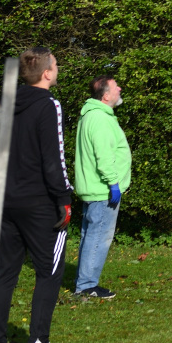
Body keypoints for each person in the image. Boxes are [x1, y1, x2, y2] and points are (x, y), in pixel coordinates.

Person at [0, 49, 74, 343]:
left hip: (2, 201)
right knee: (50, 270)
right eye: (56, 64)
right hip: (38, 203)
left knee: (3, 273)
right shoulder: (49, 105)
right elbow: (55, 159)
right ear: (47, 73)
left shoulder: (0, 104)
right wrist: (64, 198)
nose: (58, 68)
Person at [71, 75, 132, 301]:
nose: (120, 88)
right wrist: (113, 184)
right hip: (103, 190)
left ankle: (84, 282)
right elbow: (104, 157)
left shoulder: (95, 115)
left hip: (97, 188)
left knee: (91, 235)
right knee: (98, 236)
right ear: (106, 95)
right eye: (117, 87)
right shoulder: (99, 118)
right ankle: (87, 286)